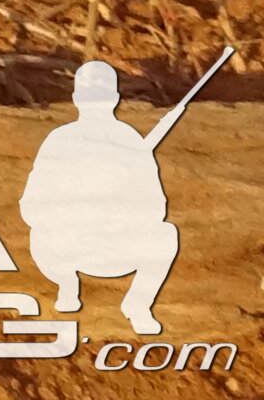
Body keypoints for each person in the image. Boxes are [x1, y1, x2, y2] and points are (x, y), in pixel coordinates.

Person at [20, 59, 181, 336]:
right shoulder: (62, 140)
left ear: (76, 98)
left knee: (166, 234)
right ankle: (67, 284)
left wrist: (117, 211)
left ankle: (137, 304)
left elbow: (155, 206)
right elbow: (32, 204)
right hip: (68, 247)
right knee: (39, 233)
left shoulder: (127, 141)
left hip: (111, 248)